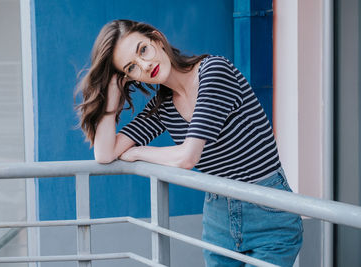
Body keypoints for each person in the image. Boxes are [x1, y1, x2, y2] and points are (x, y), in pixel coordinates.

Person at [75, 19, 303, 267]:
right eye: (131, 68)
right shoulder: (163, 107)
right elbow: (105, 154)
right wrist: (111, 96)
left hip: (268, 211)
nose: (145, 64)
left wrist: (139, 152)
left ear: (157, 39)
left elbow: (188, 157)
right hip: (219, 219)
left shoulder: (213, 72)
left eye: (142, 50)